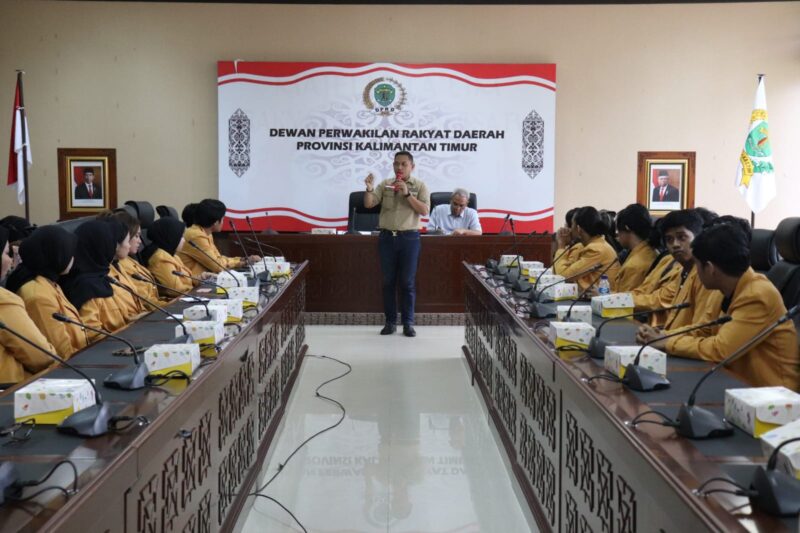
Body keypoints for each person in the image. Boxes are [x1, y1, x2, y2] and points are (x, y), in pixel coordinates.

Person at [641, 221, 799, 389]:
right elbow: (704, 329)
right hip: (734, 380)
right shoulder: (726, 287)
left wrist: (667, 343)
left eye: (697, 265)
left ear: (709, 268)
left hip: (771, 394)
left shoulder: (757, 295)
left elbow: (721, 350)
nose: (695, 272)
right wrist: (662, 336)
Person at [364, 151, 430, 337]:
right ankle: (390, 322)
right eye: (396, 164)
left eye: (403, 164)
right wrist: (369, 188)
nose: (399, 167)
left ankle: (408, 323)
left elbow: (424, 210)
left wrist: (407, 194)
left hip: (409, 238)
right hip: (387, 238)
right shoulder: (386, 184)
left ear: (412, 166)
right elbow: (369, 204)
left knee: (407, 282)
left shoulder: (420, 186)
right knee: (388, 282)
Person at [635, 209, 723, 341]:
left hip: (685, 346)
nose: (675, 245)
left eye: (682, 237)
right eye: (669, 240)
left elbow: (701, 329)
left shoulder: (706, 275)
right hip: (671, 339)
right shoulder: (682, 269)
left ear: (698, 239)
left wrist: (662, 337)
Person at [6, 225, 89, 359]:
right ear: (56, 254)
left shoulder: (49, 281)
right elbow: (63, 353)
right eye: (68, 252)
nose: (73, 257)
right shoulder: (38, 296)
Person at [0, 226, 58, 384]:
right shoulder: (4, 301)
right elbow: (42, 356)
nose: (11, 260)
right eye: (6, 253)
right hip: (11, 390)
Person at [59, 220, 131, 339]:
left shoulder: (101, 276)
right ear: (100, 247)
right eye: (109, 244)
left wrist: (135, 320)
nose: (112, 248)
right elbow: (94, 334)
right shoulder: (84, 286)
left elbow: (122, 319)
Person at [177, 199, 260, 276]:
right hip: (192, 283)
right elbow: (218, 266)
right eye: (222, 219)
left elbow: (218, 259)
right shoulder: (196, 235)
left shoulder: (206, 233)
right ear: (216, 222)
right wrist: (243, 262)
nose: (223, 222)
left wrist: (242, 259)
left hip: (204, 279)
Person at [552, 206, 620, 291]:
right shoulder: (586, 245)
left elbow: (563, 276)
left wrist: (561, 245)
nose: (569, 230)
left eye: (571, 225)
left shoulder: (597, 250)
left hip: (602, 296)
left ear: (578, 229)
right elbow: (561, 272)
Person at [110, 209, 162, 306]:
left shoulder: (129, 259)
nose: (140, 241)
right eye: (137, 236)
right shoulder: (120, 265)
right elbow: (144, 300)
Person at [142, 218, 200, 297]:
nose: (184, 240)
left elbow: (186, 278)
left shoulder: (172, 255)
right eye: (181, 236)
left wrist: (201, 278)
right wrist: (197, 290)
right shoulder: (160, 259)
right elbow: (176, 290)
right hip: (174, 301)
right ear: (171, 237)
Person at [613, 204, 659, 292]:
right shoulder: (649, 250)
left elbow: (624, 298)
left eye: (618, 231)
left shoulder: (634, 265)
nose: (617, 235)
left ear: (627, 228)